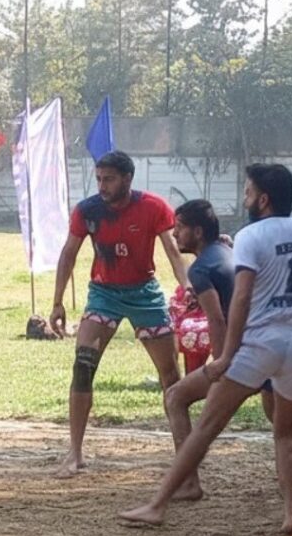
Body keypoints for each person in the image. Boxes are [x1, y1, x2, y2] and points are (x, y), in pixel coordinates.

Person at [120, 164, 292, 534]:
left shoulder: (250, 236)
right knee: (285, 432)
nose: (244, 199)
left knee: (206, 426)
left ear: (263, 199)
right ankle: (290, 514)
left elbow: (241, 298)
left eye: (248, 193)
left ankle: (157, 505)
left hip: (260, 343)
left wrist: (226, 355)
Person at [162, 198, 292, 502]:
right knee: (280, 419)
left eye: (179, 227)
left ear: (198, 232)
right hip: (273, 341)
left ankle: (189, 483)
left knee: (176, 397)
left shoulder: (201, 269)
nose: (174, 233)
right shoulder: (227, 251)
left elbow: (217, 319)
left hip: (248, 351)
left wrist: (222, 362)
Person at [50, 150, 190, 476]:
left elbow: (173, 251)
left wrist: (186, 286)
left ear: (128, 178)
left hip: (145, 293)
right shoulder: (87, 210)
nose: (102, 186)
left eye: (109, 179)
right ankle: (75, 452)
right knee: (83, 366)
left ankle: (184, 454)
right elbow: (68, 254)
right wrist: (57, 302)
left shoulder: (153, 206)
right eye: (99, 179)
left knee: (171, 376)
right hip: (104, 294)